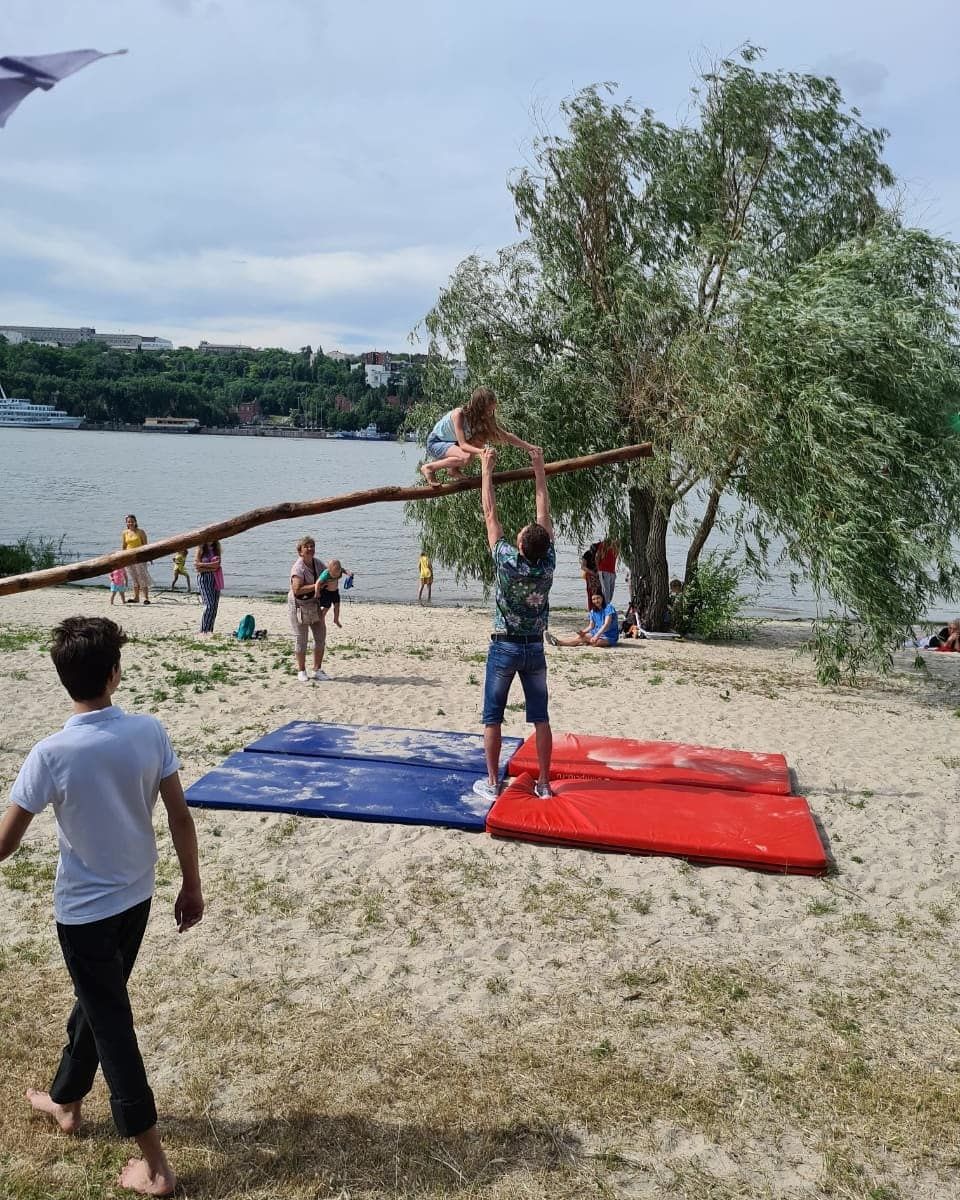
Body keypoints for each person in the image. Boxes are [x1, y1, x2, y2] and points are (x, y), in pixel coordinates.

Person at [0, 616, 203, 1199]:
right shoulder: (148, 731)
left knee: (111, 1020)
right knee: (99, 1001)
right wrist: (190, 885)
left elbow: (8, 840)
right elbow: (180, 817)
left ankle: (156, 1165)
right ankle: (66, 1098)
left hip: (87, 912)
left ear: (65, 680)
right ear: (115, 674)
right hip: (136, 898)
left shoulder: (51, 753)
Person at [473, 445, 555, 802]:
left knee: (493, 716)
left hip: (505, 645)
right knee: (540, 716)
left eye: (521, 532)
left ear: (520, 544)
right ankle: (544, 784)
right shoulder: (547, 563)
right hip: (535, 647)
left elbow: (489, 511)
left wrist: (486, 468)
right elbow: (544, 511)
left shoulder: (508, 561)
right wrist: (539, 469)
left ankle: (493, 783)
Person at [421, 387, 541, 484]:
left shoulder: (483, 419)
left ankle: (453, 469)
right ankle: (429, 468)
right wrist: (481, 452)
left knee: (483, 435)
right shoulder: (459, 415)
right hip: (436, 442)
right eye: (488, 410)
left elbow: (505, 435)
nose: (490, 414)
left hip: (452, 443)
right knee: (466, 457)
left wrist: (529, 447)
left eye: (492, 410)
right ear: (479, 408)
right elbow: (463, 445)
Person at [288, 536, 328, 682]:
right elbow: (297, 589)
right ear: (300, 551)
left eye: (312, 546)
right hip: (299, 606)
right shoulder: (298, 568)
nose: (310, 549)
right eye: (307, 546)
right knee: (301, 638)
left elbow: (329, 573)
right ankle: (301, 670)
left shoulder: (317, 564)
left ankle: (317, 669)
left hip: (314, 604)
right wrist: (317, 585)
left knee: (320, 636)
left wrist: (342, 572)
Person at [548, 592, 619, 648]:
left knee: (596, 643)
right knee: (581, 637)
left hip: (609, 636)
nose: (596, 601)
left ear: (602, 598)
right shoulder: (593, 611)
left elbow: (606, 625)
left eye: (598, 598)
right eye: (594, 599)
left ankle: (559, 642)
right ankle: (558, 642)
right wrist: (583, 632)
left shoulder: (608, 607)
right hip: (596, 633)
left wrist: (596, 636)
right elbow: (591, 626)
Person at [313, 558, 353, 636]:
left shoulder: (339, 570)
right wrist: (317, 592)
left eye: (337, 574)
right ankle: (320, 619)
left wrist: (349, 573)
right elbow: (317, 583)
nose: (336, 575)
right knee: (327, 606)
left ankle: (336, 619)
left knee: (337, 606)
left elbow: (345, 570)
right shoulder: (326, 574)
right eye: (334, 574)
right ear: (329, 570)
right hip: (326, 592)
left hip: (335, 591)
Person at [194, 541, 222, 636]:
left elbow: (217, 566)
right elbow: (197, 568)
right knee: (209, 605)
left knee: (214, 606)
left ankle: (209, 630)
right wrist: (211, 566)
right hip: (204, 578)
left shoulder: (216, 549)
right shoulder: (200, 549)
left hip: (215, 579)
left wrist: (203, 565)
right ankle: (203, 630)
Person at [121, 515, 150, 605]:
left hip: (140, 558)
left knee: (142, 577)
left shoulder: (141, 532)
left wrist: (149, 557)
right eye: (128, 521)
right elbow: (124, 546)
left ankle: (146, 598)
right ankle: (136, 597)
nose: (130, 523)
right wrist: (121, 557)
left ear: (135, 522)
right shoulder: (125, 532)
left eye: (132, 521)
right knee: (134, 578)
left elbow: (146, 545)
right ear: (126, 523)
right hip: (128, 558)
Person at [594, 538, 618, 605]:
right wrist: (598, 569)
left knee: (611, 593)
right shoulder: (604, 544)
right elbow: (597, 557)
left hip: (612, 572)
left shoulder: (617, 545)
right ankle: (606, 611)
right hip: (604, 570)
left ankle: (606, 607)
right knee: (606, 592)